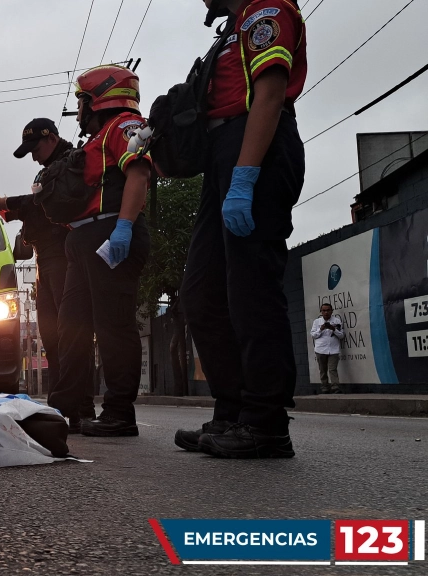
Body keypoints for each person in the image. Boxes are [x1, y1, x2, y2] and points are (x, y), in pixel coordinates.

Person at [174, 0, 307, 458]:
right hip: (221, 155)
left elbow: (269, 95)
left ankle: (265, 422)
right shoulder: (230, 29)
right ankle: (231, 410)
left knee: (251, 287)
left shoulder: (265, 8)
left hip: (256, 145)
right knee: (200, 292)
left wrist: (245, 176)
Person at [41, 65, 152, 437]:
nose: (80, 109)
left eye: (83, 100)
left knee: (114, 326)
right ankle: (66, 407)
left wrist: (124, 227)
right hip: (83, 240)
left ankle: (120, 411)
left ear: (102, 96)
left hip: (111, 232)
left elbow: (138, 174)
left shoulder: (125, 126)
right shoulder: (97, 138)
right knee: (71, 327)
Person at [0, 118, 93, 431]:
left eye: (35, 148)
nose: (34, 155)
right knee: (51, 335)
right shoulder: (47, 170)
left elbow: (41, 205)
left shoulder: (70, 163)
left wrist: (11, 205)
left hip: (64, 256)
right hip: (43, 260)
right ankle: (64, 406)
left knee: (71, 334)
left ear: (51, 138)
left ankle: (80, 406)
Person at [310, 303, 344, 394]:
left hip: (333, 349)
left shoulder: (337, 321)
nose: (326, 312)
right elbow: (313, 335)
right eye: (324, 310)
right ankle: (325, 387)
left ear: (332, 311)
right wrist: (321, 329)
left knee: (332, 369)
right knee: (323, 369)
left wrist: (334, 329)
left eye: (328, 310)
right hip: (320, 349)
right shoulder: (317, 322)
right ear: (321, 312)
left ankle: (335, 387)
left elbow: (341, 336)